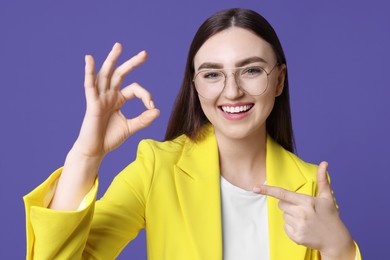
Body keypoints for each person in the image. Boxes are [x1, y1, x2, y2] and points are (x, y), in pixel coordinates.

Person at [24, 8, 361, 260]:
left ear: (280, 81)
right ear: (195, 85)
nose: (232, 92)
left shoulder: (311, 186)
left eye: (252, 70)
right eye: (212, 74)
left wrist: (340, 247)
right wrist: (86, 155)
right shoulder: (158, 168)